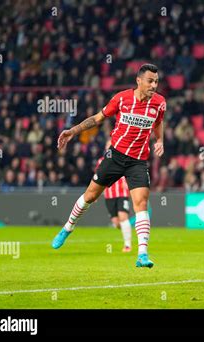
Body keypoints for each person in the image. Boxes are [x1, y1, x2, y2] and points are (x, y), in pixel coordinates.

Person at [52, 64, 166, 268]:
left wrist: (160, 141)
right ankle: (68, 228)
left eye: (156, 81)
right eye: (150, 81)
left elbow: (158, 122)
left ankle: (142, 254)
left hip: (138, 161)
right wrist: (73, 131)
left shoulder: (159, 103)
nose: (154, 85)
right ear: (139, 81)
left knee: (140, 203)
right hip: (115, 156)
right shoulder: (121, 98)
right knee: (90, 196)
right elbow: (97, 119)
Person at [96, 140, 132, 253]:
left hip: (122, 193)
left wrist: (129, 184)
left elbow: (131, 173)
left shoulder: (124, 158)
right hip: (109, 195)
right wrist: (95, 194)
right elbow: (97, 178)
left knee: (123, 217)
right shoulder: (101, 162)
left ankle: (127, 245)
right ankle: (127, 231)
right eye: (108, 145)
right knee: (116, 223)